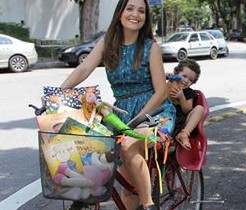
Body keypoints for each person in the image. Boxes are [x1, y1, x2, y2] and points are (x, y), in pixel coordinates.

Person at [60, 0, 176, 209]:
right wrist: (58, 94)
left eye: (141, 11)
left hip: (153, 111)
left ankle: (149, 205)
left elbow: (161, 92)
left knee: (129, 146)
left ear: (145, 18)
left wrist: (138, 118)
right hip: (121, 112)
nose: (135, 14)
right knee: (120, 177)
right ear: (120, 13)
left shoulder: (151, 47)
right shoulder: (107, 42)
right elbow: (83, 69)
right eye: (130, 8)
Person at [167, 59, 205, 150]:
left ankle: (184, 134)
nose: (186, 80)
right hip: (164, 120)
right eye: (184, 76)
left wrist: (181, 97)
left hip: (180, 123)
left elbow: (187, 110)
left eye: (190, 80)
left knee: (199, 108)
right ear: (176, 73)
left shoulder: (188, 93)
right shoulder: (169, 85)